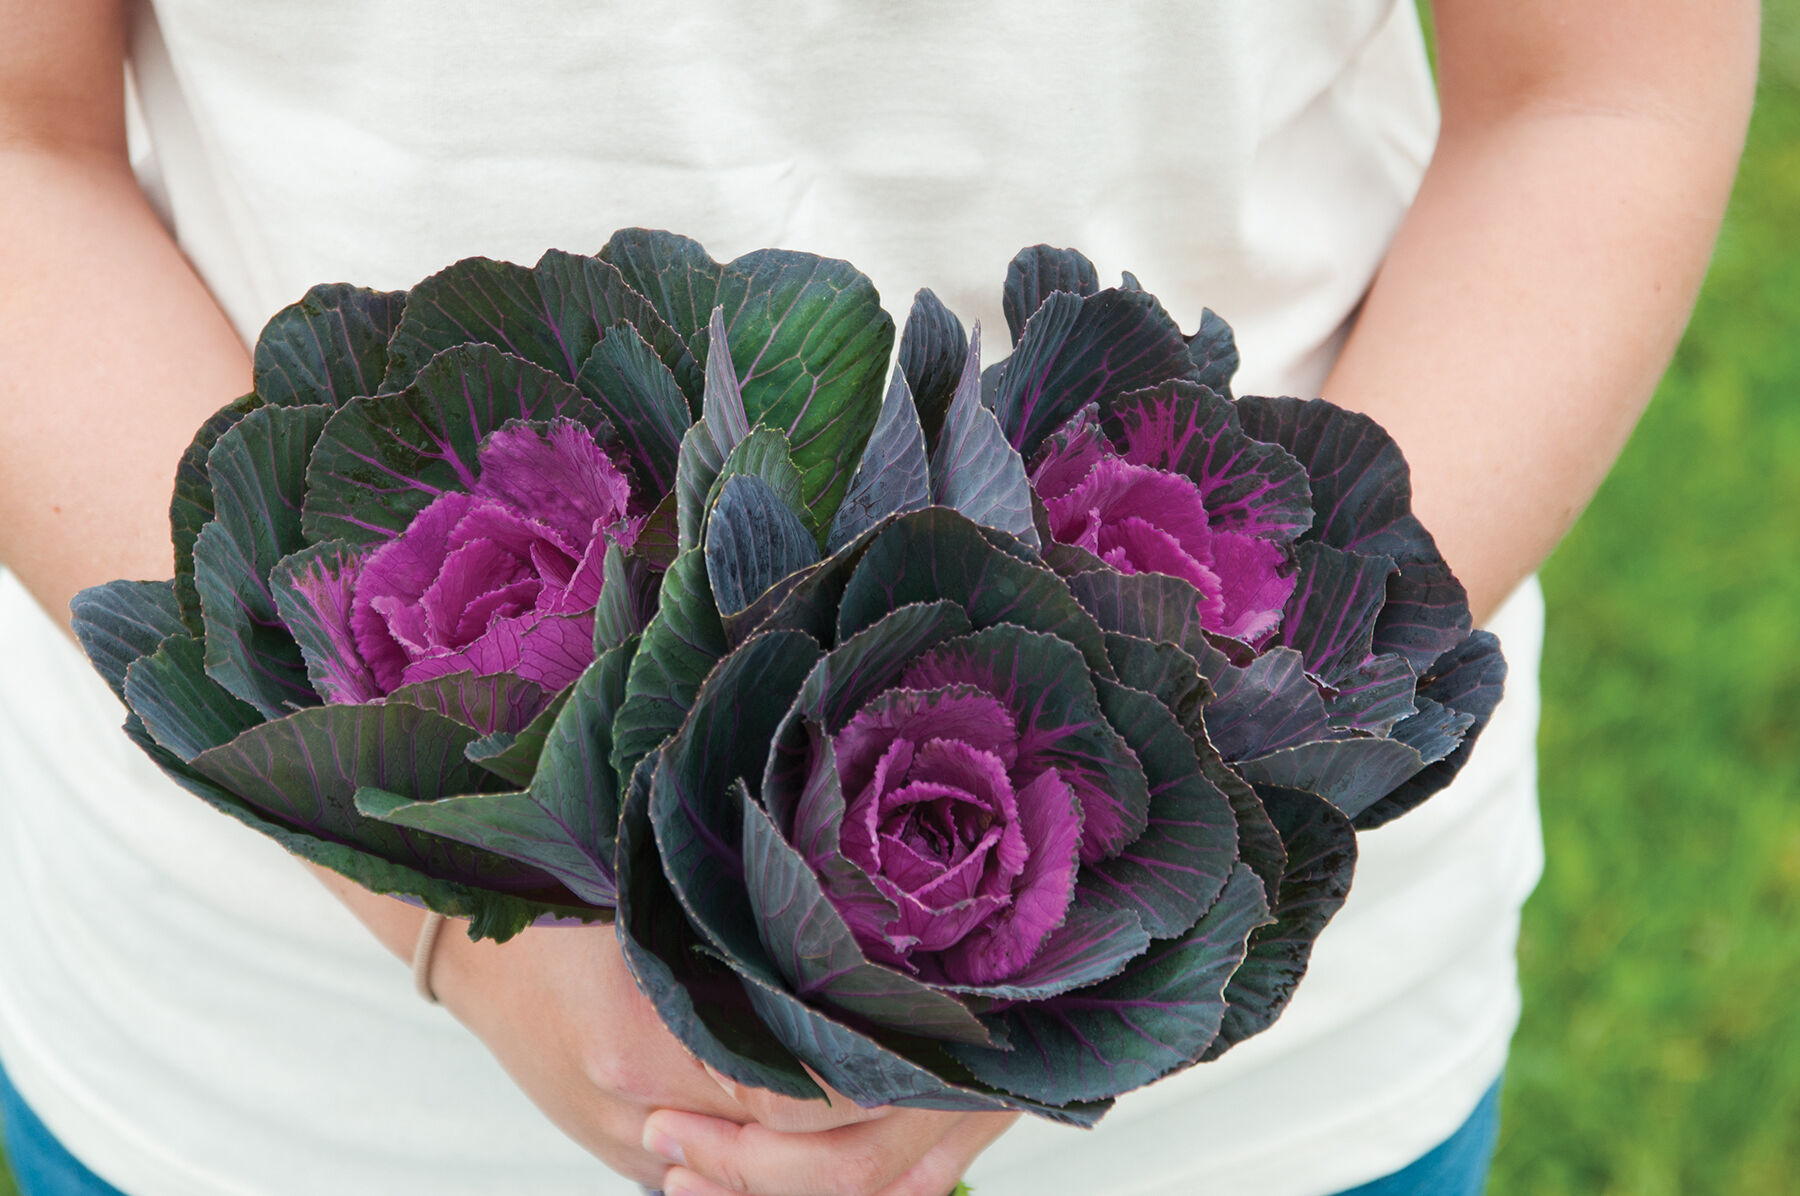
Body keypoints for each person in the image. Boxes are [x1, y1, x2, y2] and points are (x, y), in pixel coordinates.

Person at [0, 2, 1756, 1194]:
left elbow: (1597, 91)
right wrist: (462, 918)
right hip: (288, 1071)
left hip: (1223, 1077)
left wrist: (1028, 963)